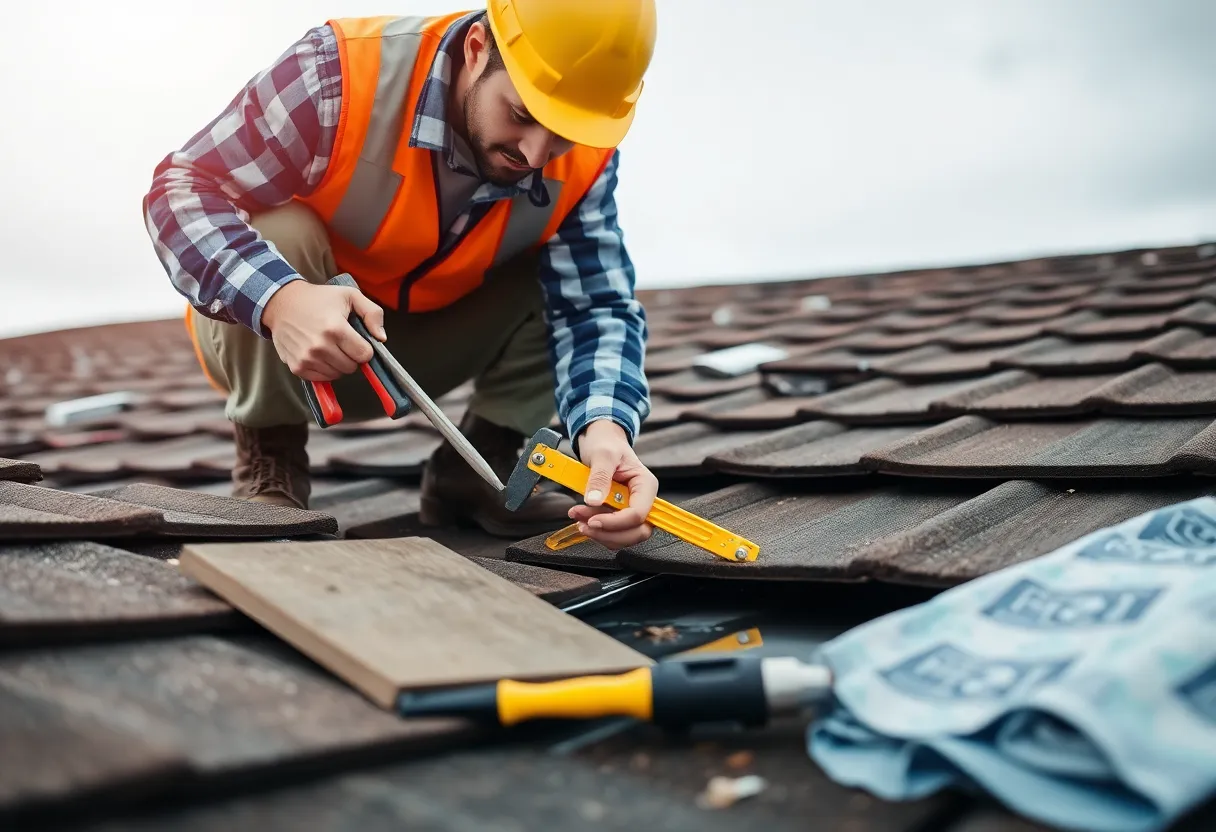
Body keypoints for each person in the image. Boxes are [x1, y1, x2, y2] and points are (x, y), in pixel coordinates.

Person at [141, 1, 659, 550]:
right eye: (523, 114)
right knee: (279, 227)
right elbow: (180, 190)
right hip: (285, 348)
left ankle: (483, 468)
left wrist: (604, 429)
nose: (535, 153)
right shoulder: (336, 74)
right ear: (478, 49)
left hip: (424, 352)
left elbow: (596, 305)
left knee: (562, 271)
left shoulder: (589, 163)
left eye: (561, 135)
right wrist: (280, 299)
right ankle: (272, 461)